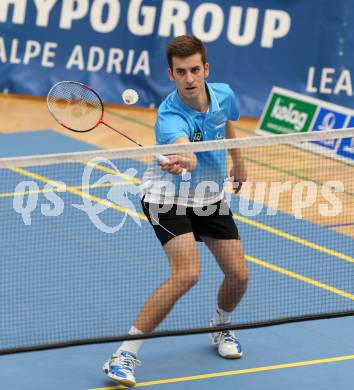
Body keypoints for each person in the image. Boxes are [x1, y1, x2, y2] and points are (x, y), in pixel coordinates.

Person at [102, 35, 248, 387]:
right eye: (181, 72)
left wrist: (239, 162)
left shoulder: (224, 94)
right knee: (187, 274)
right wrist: (184, 160)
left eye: (195, 70)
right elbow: (185, 148)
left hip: (208, 195)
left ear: (205, 69)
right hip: (166, 198)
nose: (189, 78)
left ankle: (219, 326)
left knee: (239, 275)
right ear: (171, 74)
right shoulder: (169, 115)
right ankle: (123, 354)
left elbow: (227, 122)